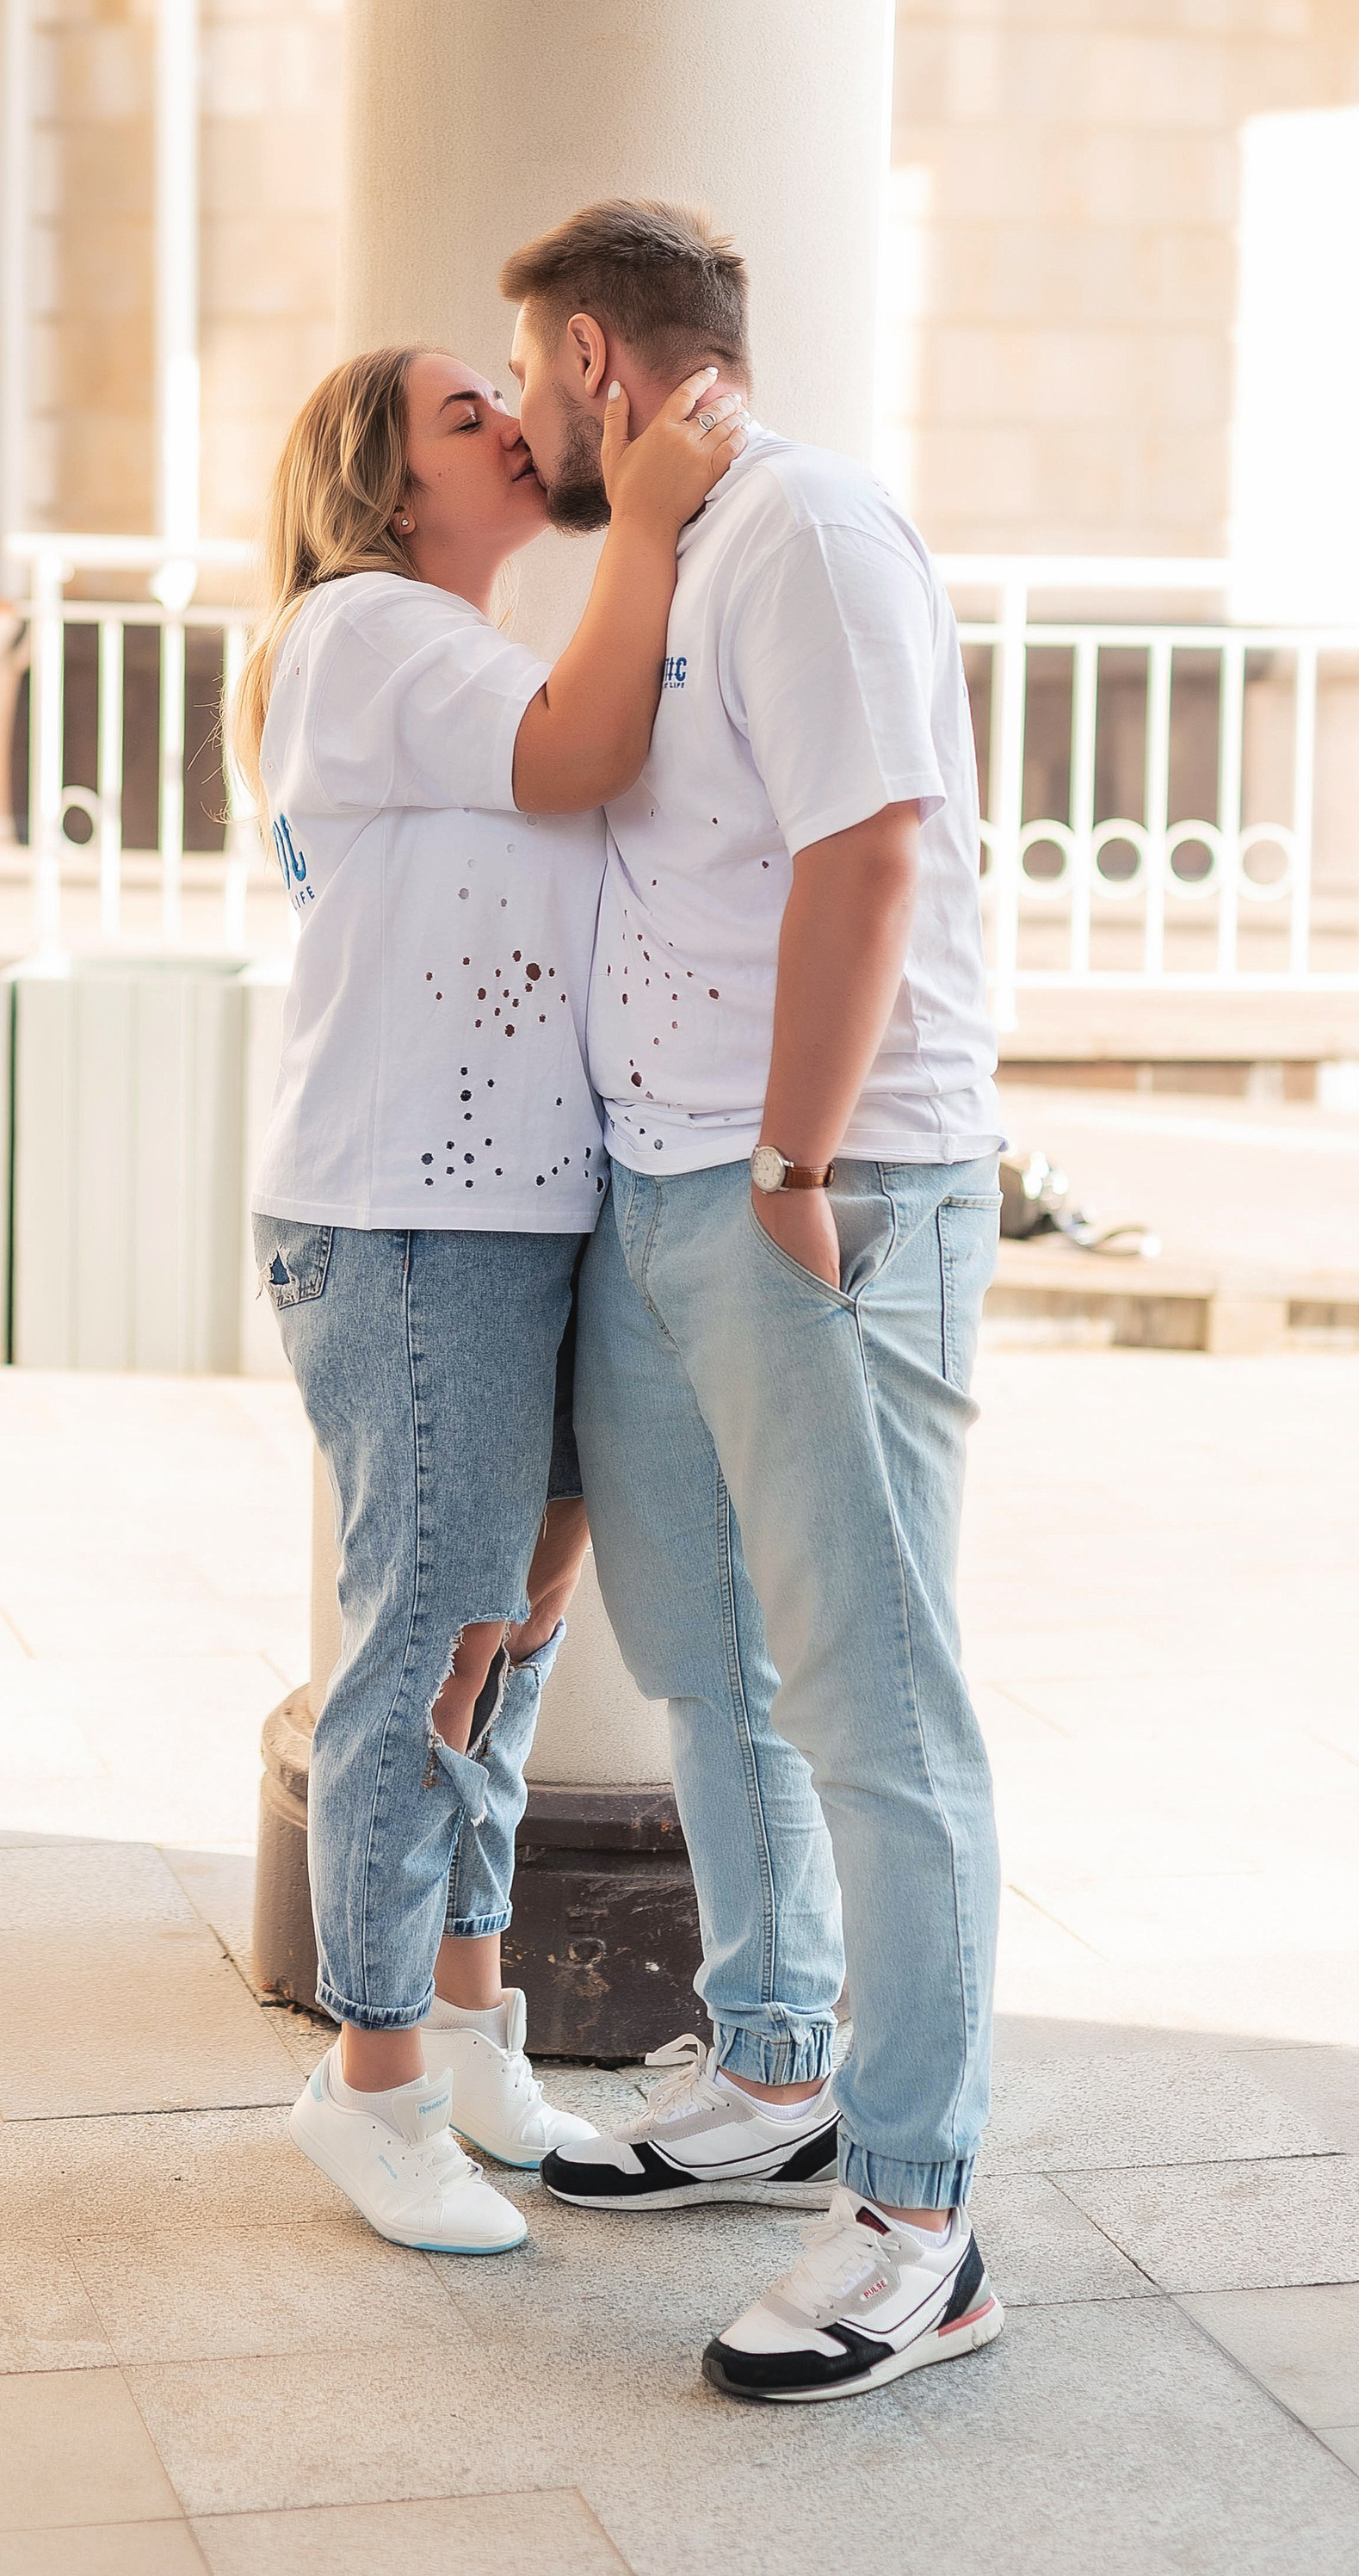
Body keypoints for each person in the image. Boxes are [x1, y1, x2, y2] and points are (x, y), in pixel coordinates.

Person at [506, 198, 1010, 2400]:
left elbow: (867, 845)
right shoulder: (675, 553)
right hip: (664, 1184)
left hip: (817, 1184)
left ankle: (915, 2210)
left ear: (598, 363)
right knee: (706, 1658)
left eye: (525, 371)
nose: (515, 410)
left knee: (873, 1704)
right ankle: (780, 2060)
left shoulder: (803, 532)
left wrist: (799, 1159)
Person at [233, 337, 737, 2253]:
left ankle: (454, 2017)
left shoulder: (458, 648)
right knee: (421, 1635)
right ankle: (364, 2080)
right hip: (408, 1215)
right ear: (382, 488)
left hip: (514, 1209)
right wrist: (661, 514)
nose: (514, 425)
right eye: (470, 413)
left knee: (504, 1635)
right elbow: (582, 753)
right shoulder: (367, 628)